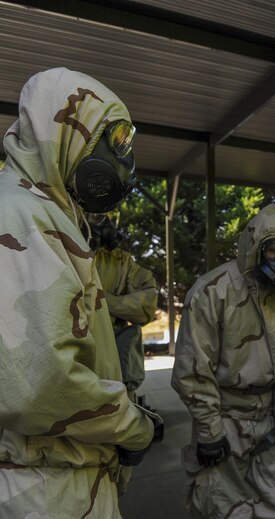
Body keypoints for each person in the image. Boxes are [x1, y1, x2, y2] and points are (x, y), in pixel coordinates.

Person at [0, 67, 160, 518]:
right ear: (69, 132)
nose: (122, 160)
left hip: (65, 481)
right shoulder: (20, 215)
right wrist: (134, 427)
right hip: (46, 489)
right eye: (114, 141)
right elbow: (42, 383)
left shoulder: (47, 213)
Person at [171, 203, 275, 519]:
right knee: (224, 507)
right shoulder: (213, 291)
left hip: (274, 414)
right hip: (226, 417)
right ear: (255, 250)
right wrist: (210, 432)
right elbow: (192, 369)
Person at [85, 212, 158, 402]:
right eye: (94, 215)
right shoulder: (58, 249)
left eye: (104, 215)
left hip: (115, 374)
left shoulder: (121, 260)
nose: (103, 221)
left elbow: (147, 305)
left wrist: (100, 299)